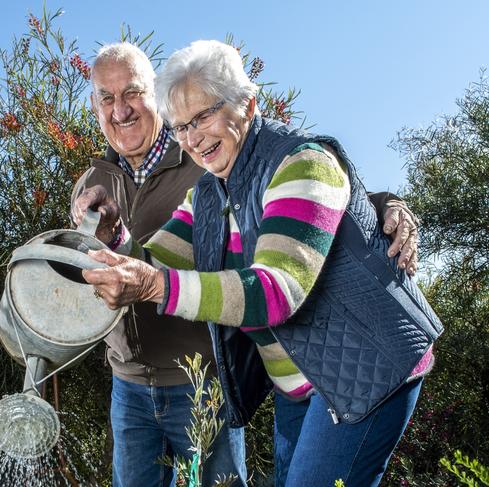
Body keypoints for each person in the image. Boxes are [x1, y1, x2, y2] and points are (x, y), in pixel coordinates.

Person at [74, 40, 440, 487]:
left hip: (366, 367)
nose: (193, 138)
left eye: (204, 116)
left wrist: (152, 285)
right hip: (296, 383)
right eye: (183, 126)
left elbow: (276, 291)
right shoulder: (208, 193)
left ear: (247, 104)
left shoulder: (301, 163)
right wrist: (114, 235)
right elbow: (153, 261)